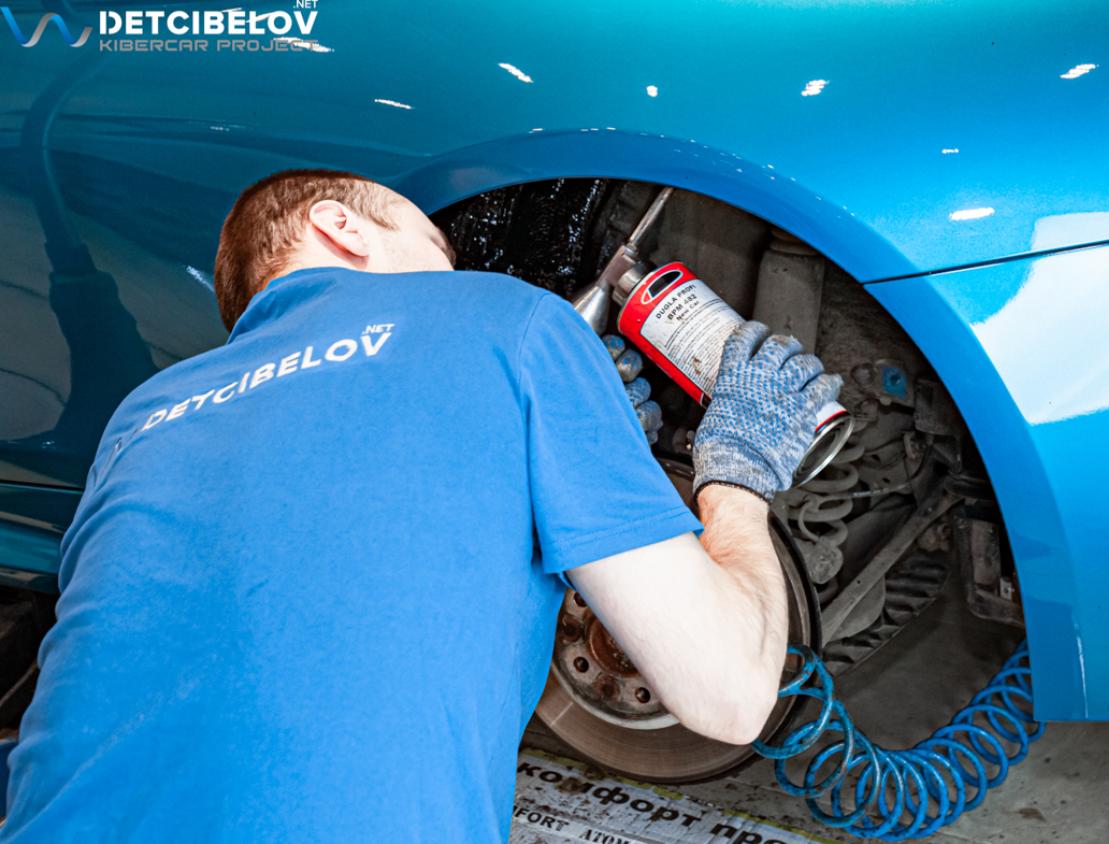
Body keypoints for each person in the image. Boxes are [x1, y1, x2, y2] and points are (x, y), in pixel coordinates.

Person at [0, 170, 841, 842]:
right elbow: (731, 694)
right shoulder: (507, 317)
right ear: (342, 226)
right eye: (440, 249)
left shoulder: (144, 413)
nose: (456, 273)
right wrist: (737, 471)